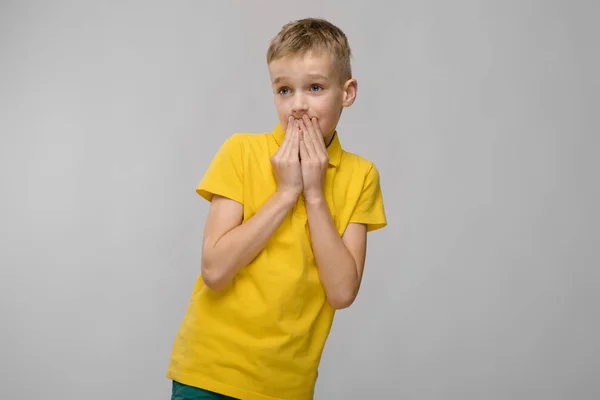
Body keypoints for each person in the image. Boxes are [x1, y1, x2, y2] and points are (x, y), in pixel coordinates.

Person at [166, 17, 387, 400]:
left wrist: (314, 194)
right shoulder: (241, 151)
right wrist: (286, 193)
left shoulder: (361, 175)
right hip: (209, 375)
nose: (298, 105)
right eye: (285, 90)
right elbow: (215, 270)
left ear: (347, 92)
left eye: (315, 87)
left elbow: (342, 292)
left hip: (287, 388)